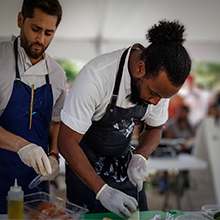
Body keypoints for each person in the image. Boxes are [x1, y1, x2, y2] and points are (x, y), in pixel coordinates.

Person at [58, 20, 191, 218]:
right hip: (87, 176)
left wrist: (141, 156)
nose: (155, 102)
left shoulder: (159, 85)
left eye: (162, 98)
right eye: (153, 93)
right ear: (140, 68)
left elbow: (155, 127)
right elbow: (66, 142)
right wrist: (103, 191)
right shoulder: (96, 77)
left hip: (125, 173)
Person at [0, 0, 66, 213]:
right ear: (20, 20)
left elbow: (56, 122)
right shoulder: (1, 59)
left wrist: (54, 155)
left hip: (36, 182)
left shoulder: (57, 74)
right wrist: (21, 145)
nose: (41, 39)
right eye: (35, 29)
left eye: (49, 33)